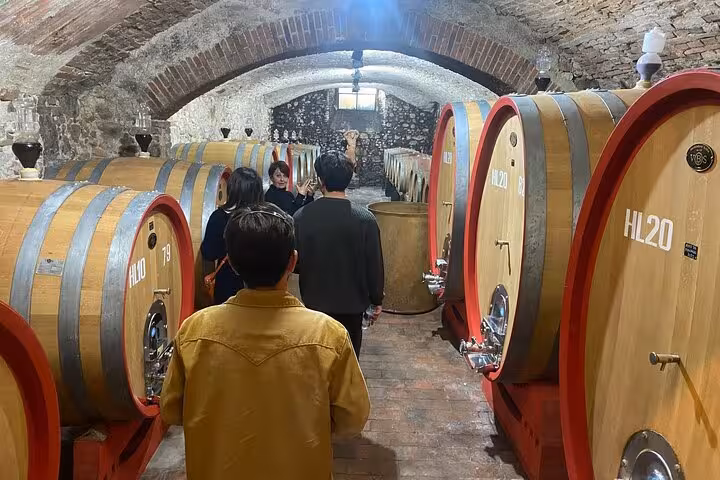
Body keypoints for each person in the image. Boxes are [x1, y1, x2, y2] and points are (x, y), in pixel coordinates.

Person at [161, 202, 370, 480]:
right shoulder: (328, 335)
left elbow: (171, 410)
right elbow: (352, 419)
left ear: (232, 264)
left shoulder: (195, 330)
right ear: (293, 261)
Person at [293, 150, 384, 358]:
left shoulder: (301, 217)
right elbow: (374, 265)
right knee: (348, 360)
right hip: (352, 307)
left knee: (318, 359)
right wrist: (376, 300)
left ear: (321, 179)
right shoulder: (365, 219)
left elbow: (296, 262)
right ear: (349, 179)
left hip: (315, 304)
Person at [200, 166, 263, 304]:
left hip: (228, 284)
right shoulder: (263, 217)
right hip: (260, 283)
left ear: (232, 189)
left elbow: (208, 252)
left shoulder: (219, 217)